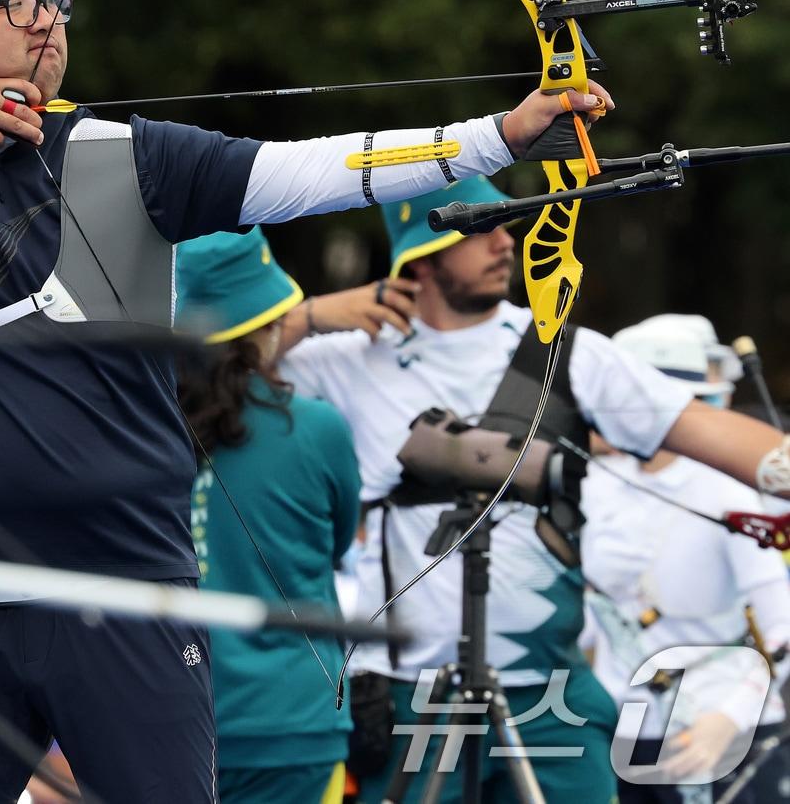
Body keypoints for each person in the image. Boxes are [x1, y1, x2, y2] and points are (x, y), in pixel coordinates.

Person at [0, 0, 611, 802]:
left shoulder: (129, 158)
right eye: (15, 4)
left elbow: (316, 171)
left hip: (129, 600)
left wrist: (499, 135)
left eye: (50, 0)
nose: (47, 22)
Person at [275, 175, 790, 803]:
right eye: (480, 227)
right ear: (420, 251)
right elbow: (202, 381)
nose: (506, 240)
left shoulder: (569, 352)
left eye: (506, 223)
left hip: (551, 696)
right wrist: (305, 317)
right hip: (415, 697)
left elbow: (703, 429)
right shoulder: (346, 360)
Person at [175, 227, 364, 803]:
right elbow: (335, 546)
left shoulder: (145, 430)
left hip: (170, 718)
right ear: (271, 322)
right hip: (295, 723)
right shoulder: (316, 428)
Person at [581, 314, 790, 803]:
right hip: (624, 732)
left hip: (723, 735)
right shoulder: (594, 484)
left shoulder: (731, 493)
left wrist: (730, 719)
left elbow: (783, 630)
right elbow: (587, 617)